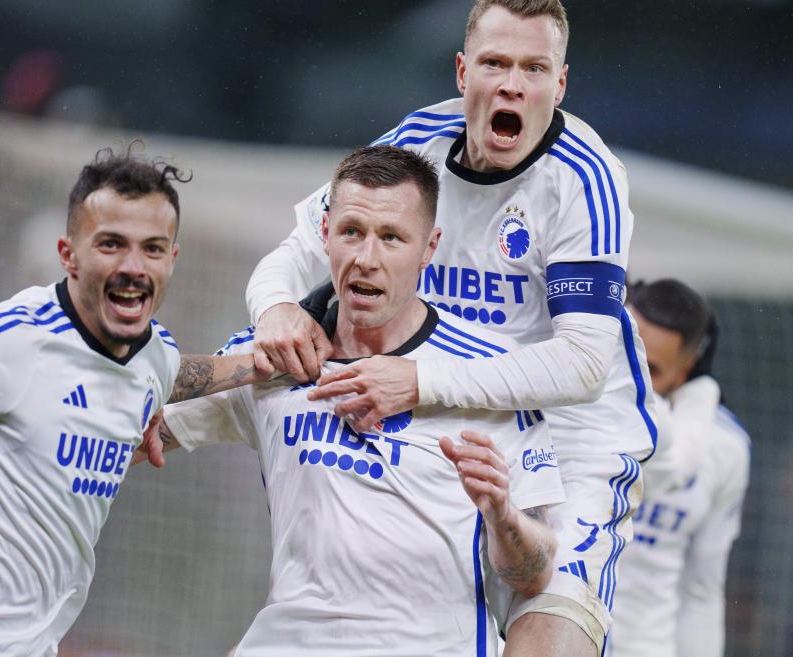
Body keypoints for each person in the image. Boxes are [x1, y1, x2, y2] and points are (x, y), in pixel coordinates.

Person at [243, 1, 657, 655]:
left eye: (534, 67)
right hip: (451, 431)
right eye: (495, 63)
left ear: (561, 83)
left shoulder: (585, 180)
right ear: (463, 71)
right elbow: (299, 247)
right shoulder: (416, 142)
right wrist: (274, 306)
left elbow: (581, 363)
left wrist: (421, 379)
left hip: (573, 444)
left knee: (544, 636)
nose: (512, 85)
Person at [0, 150, 267, 657]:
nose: (133, 266)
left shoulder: (154, 355)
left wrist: (286, 359)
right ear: (69, 254)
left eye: (152, 249)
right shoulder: (2, 340)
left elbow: (184, 375)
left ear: (172, 258)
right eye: (111, 245)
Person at [155, 145, 565, 656]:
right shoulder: (274, 355)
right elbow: (135, 430)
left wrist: (501, 513)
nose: (366, 259)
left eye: (392, 237)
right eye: (352, 232)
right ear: (325, 234)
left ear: (429, 247)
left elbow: (535, 576)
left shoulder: (491, 374)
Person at [606, 279, 750, 657]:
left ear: (686, 369)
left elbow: (701, 589)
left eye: (651, 370)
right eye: (627, 354)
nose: (634, 378)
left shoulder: (726, 448)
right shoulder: (569, 404)